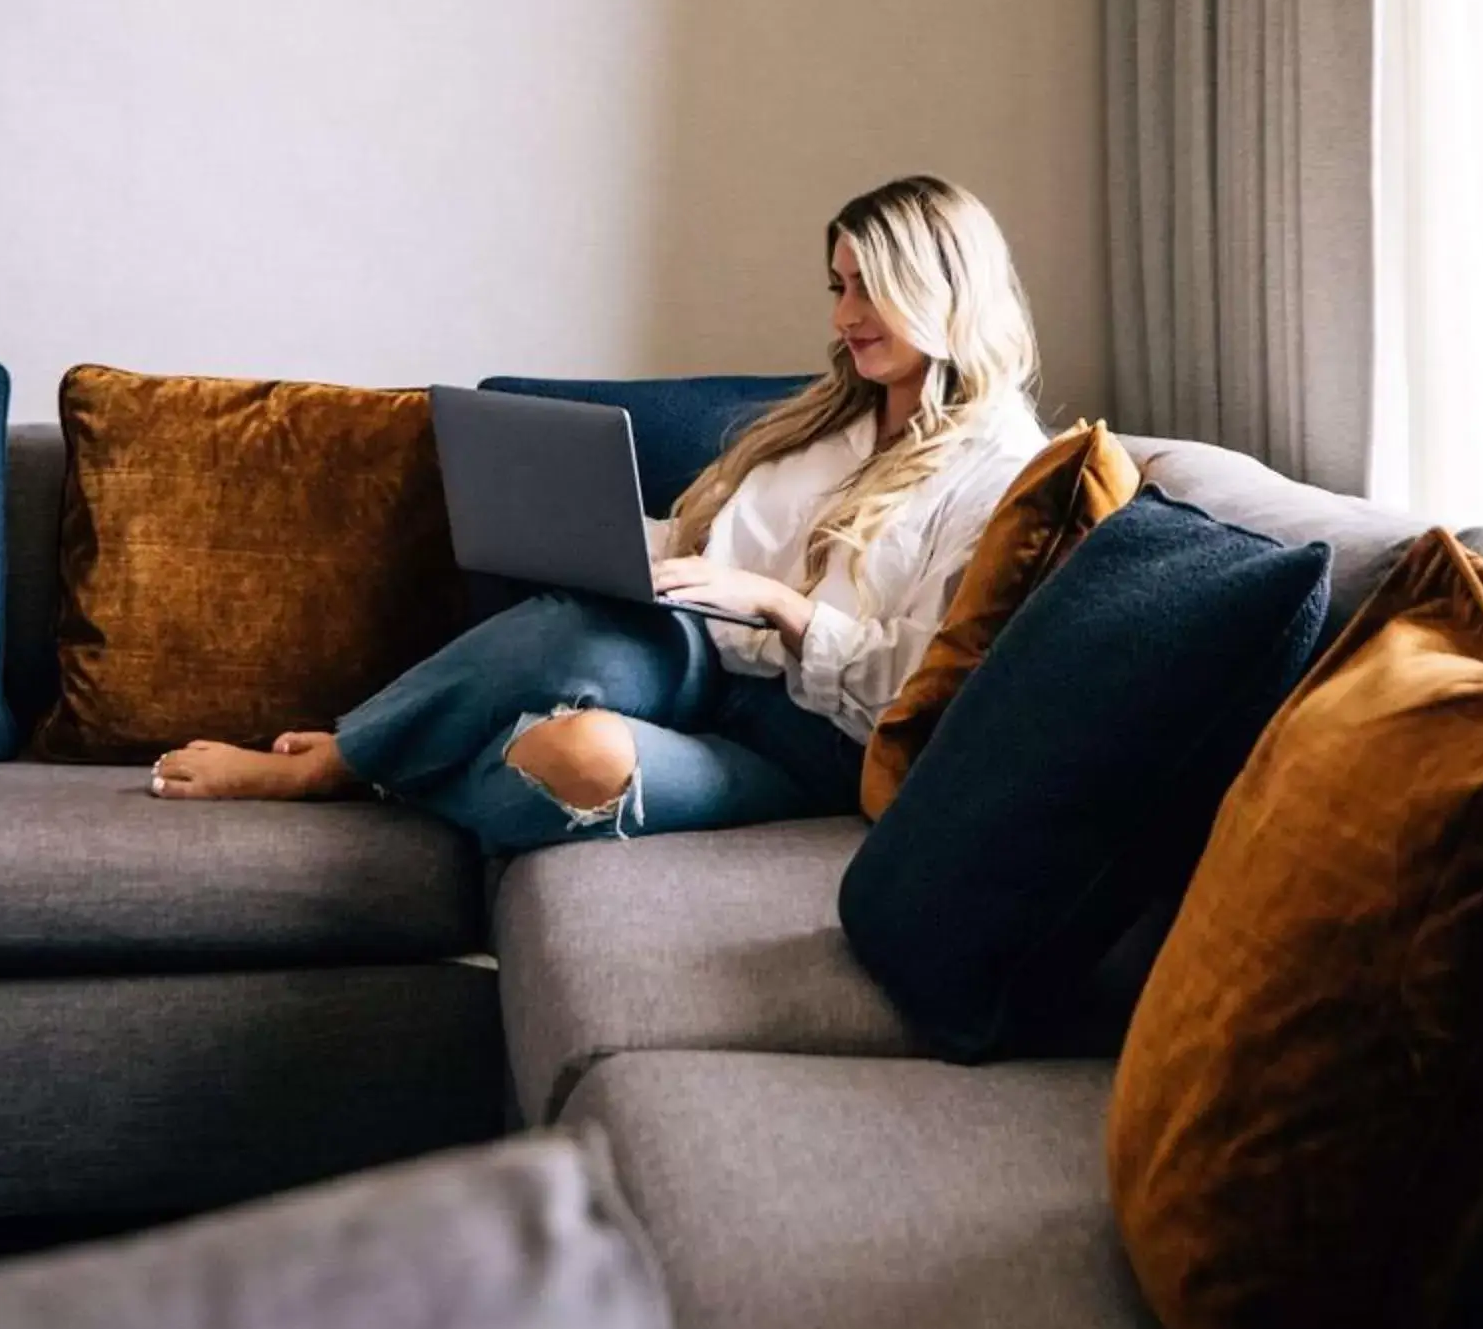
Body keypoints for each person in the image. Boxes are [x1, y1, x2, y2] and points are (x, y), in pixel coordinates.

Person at [151, 174, 1047, 848]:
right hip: (709, 660)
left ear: (943, 287)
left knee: (580, 760)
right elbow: (713, 551)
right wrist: (603, 539)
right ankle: (337, 764)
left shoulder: (1002, 472)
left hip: (823, 742)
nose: (844, 315)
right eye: (836, 286)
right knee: (575, 630)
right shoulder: (828, 421)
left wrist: (784, 606)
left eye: (866, 287)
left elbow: (925, 687)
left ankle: (381, 762)